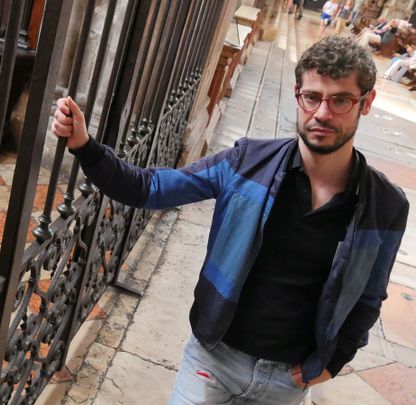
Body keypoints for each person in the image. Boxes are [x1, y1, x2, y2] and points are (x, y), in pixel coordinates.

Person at [51, 36, 409, 404]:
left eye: (340, 100)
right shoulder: (246, 163)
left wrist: (336, 360)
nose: (322, 113)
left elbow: (368, 297)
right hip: (213, 361)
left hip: (288, 381)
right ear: (297, 95)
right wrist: (85, 146)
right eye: (313, 97)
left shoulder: (385, 205)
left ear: (366, 103)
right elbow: (150, 188)